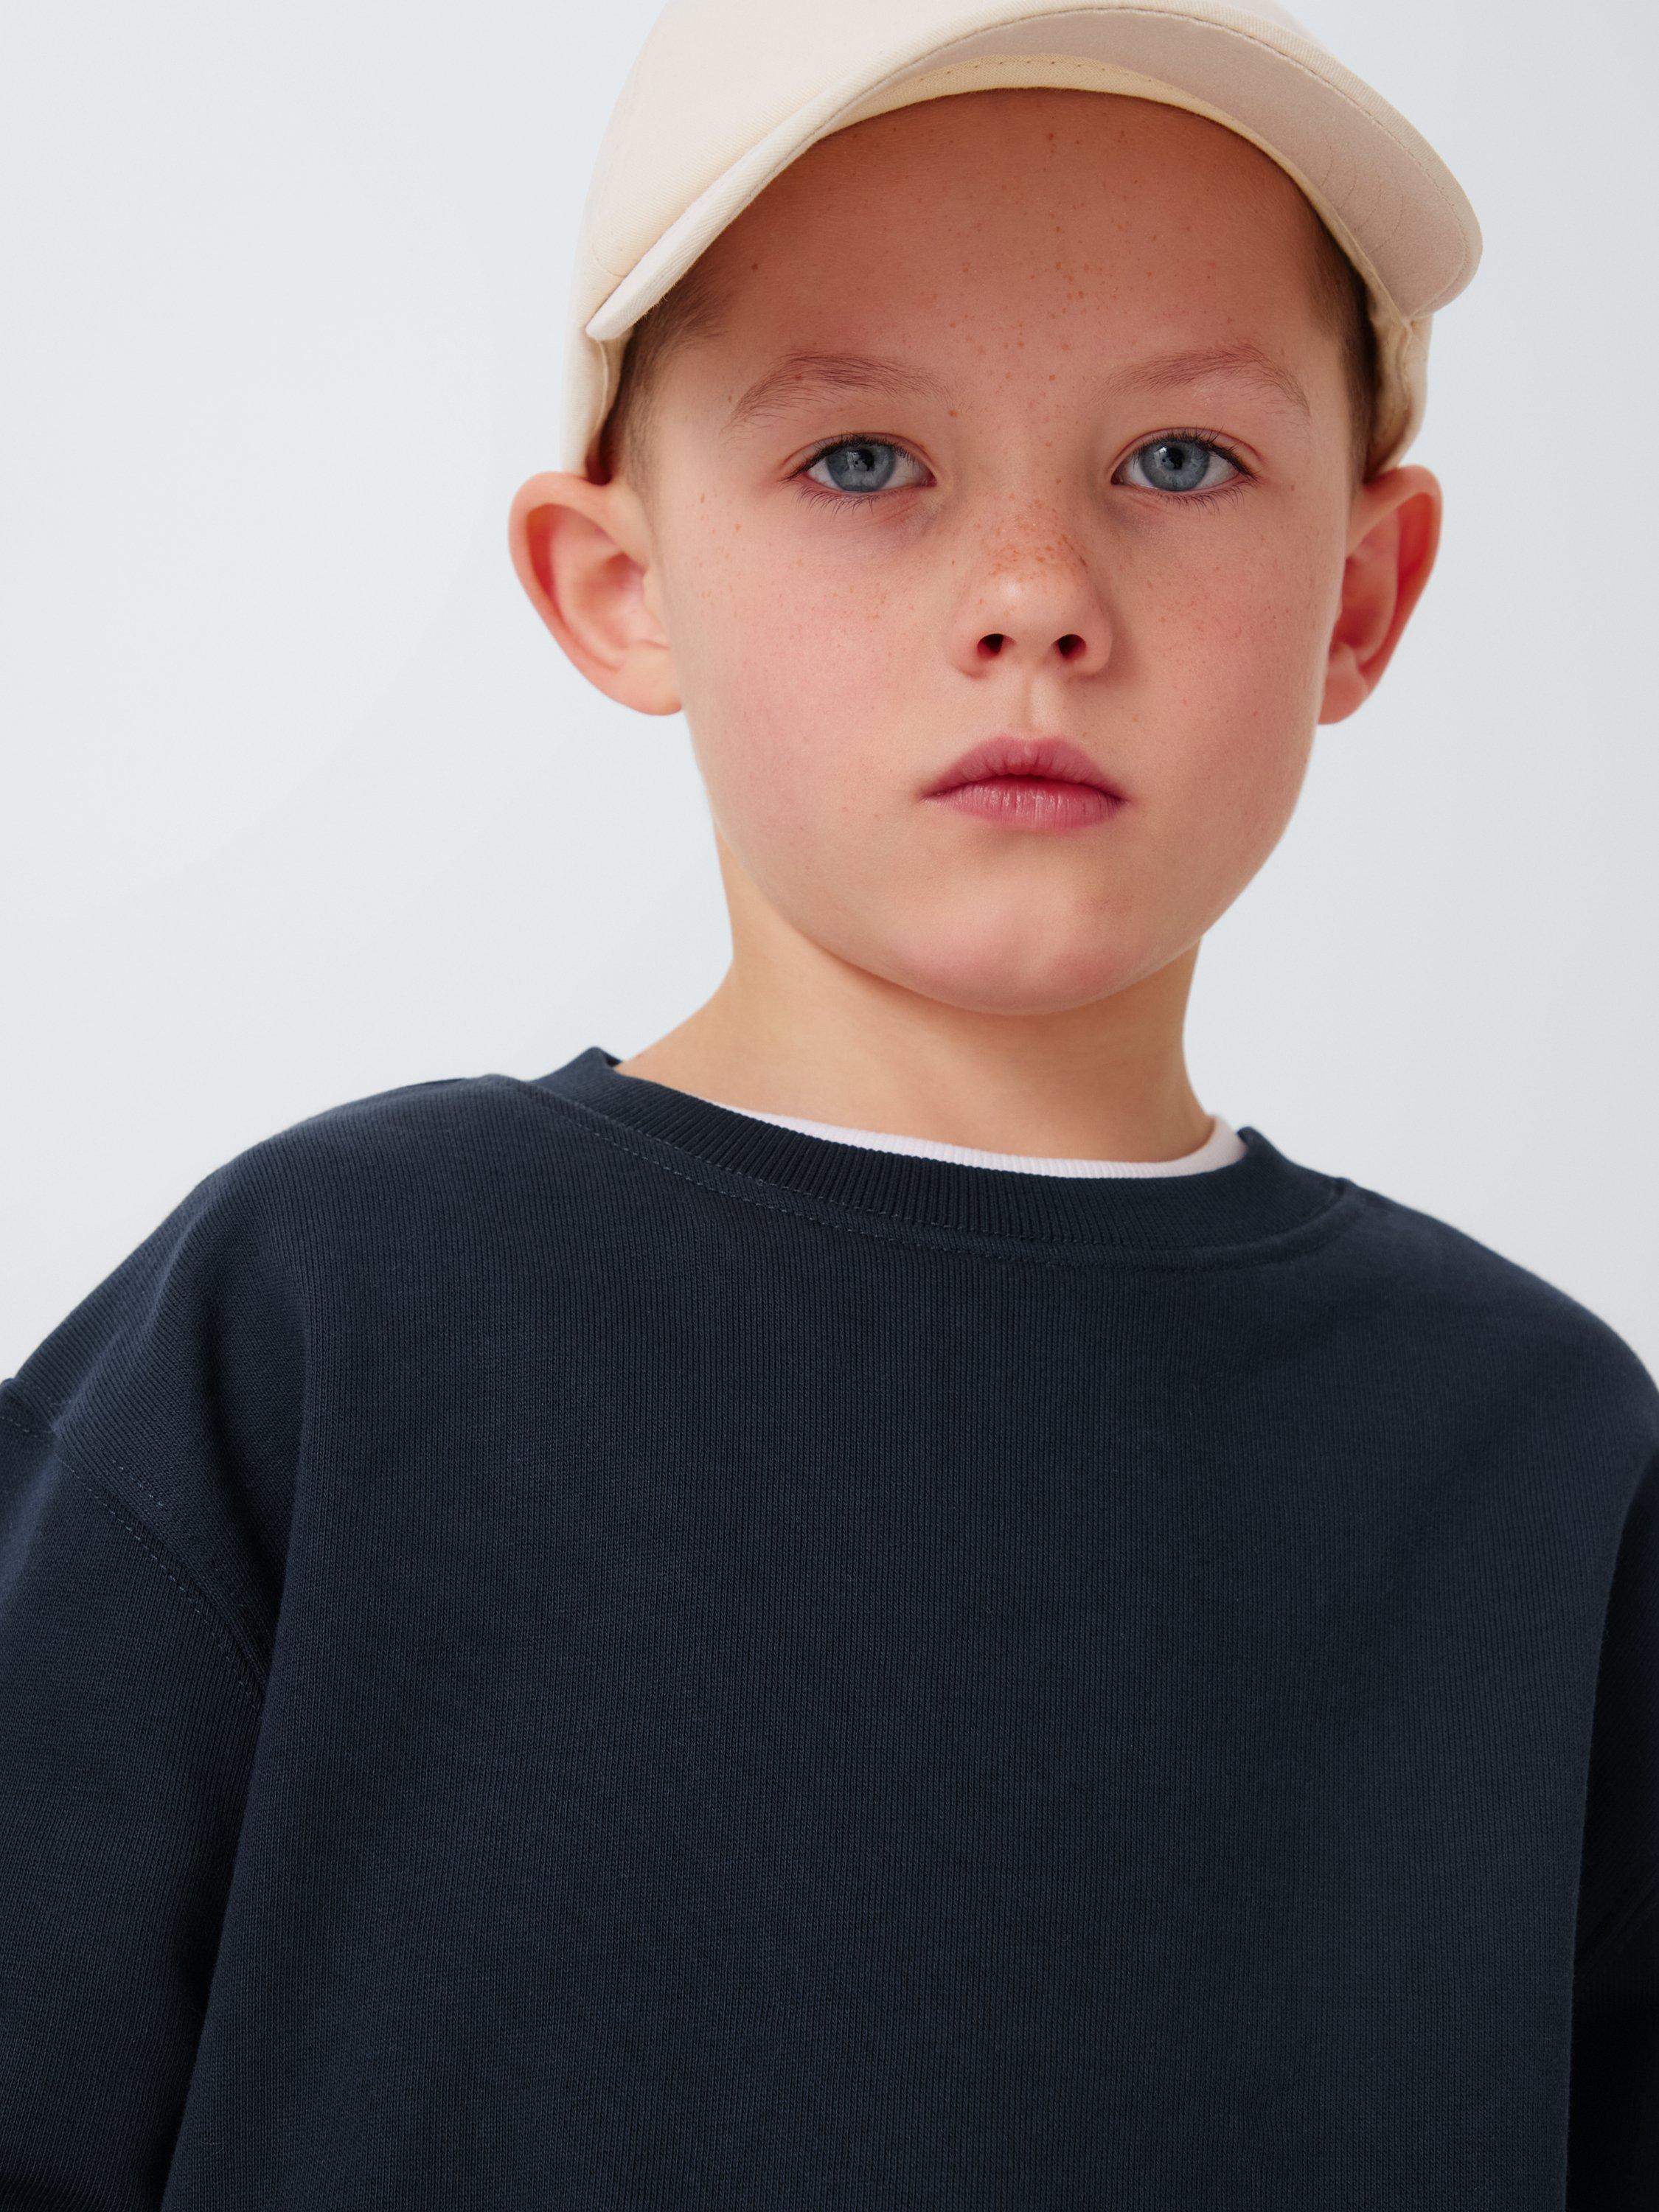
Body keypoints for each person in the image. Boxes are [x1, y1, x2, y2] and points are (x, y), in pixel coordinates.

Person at [2, 1, 1654, 2203]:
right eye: (862, 461)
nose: (1034, 597)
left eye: (1179, 460)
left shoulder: (1541, 1460)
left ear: (1361, 595)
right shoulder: (324, 1321)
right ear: (620, 585)